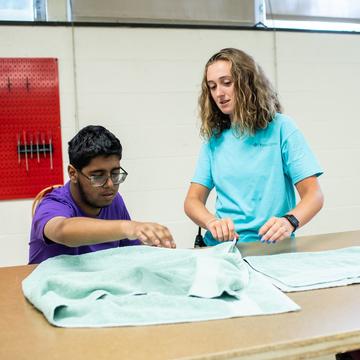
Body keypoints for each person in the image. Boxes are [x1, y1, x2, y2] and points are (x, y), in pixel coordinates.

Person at [184, 48, 324, 246]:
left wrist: (290, 221)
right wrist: (211, 222)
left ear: (247, 83)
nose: (219, 93)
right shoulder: (214, 139)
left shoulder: (282, 128)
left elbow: (314, 195)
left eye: (226, 83)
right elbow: (192, 201)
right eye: (212, 86)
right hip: (224, 249)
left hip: (272, 248)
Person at [29, 125, 175, 264]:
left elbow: (132, 253)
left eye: (115, 173)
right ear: (73, 174)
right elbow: (62, 230)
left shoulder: (114, 200)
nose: (110, 184)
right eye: (98, 176)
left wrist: (155, 248)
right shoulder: (53, 204)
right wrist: (128, 227)